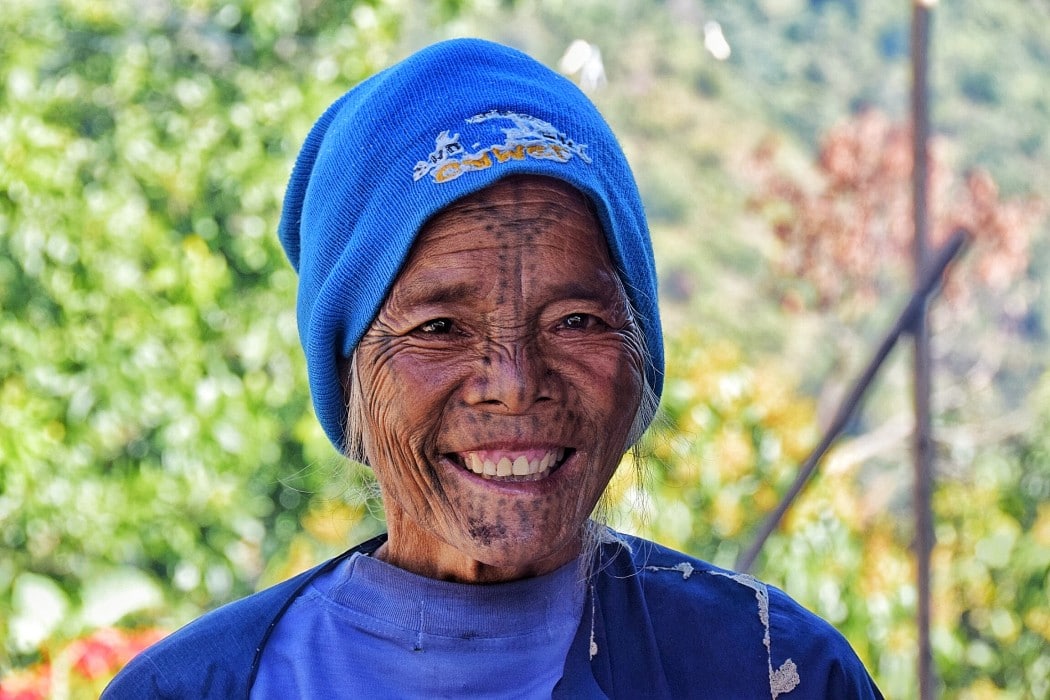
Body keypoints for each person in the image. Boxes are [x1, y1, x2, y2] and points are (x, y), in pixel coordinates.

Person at [103, 38, 882, 698]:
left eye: (576, 320)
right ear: (347, 372)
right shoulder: (202, 687)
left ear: (638, 355)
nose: (513, 381)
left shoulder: (774, 673)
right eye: (440, 327)